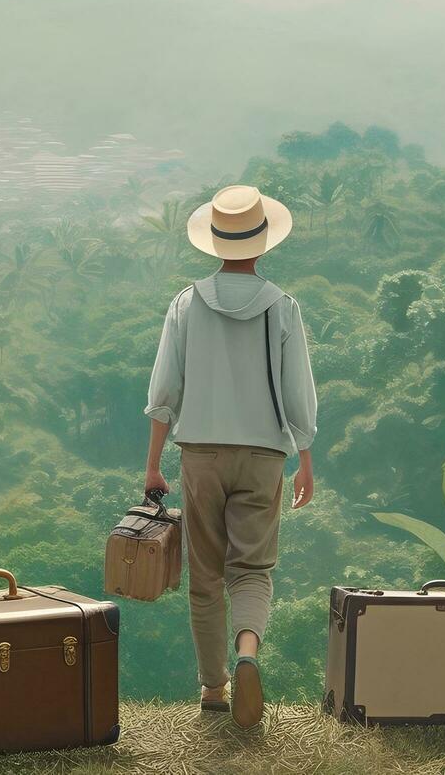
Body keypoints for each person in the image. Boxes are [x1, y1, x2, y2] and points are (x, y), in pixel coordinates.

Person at [143, 184, 318, 729]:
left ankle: (214, 688)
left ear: (214, 243)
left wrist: (152, 465)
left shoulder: (186, 303)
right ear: (262, 245)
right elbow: (298, 393)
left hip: (200, 453)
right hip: (264, 454)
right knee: (253, 569)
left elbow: (164, 390)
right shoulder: (282, 307)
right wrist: (305, 458)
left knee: (207, 575)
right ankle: (248, 653)